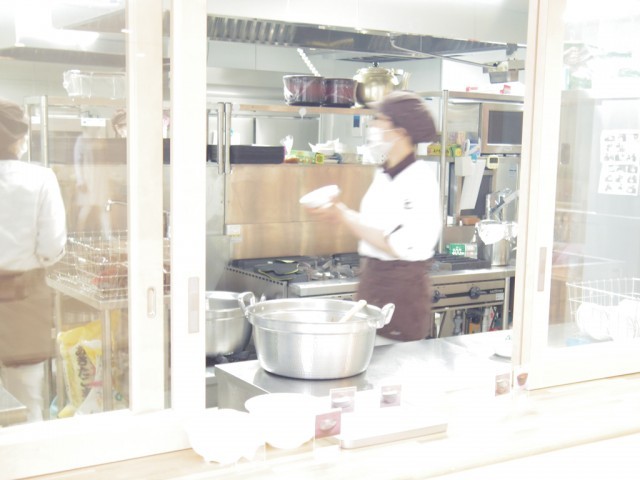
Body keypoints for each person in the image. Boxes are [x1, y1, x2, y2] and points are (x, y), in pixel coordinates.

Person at [305, 91, 441, 344]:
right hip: (373, 284)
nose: (373, 126)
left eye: (380, 119)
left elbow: (398, 244)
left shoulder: (419, 179)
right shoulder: (384, 173)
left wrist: (343, 214)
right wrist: (340, 213)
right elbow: (377, 228)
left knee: (391, 366)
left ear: (401, 131)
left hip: (400, 295)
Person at [0, 98, 67, 421]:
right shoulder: (40, 179)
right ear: (19, 138)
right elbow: (51, 247)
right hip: (21, 300)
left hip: (22, 299)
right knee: (26, 401)